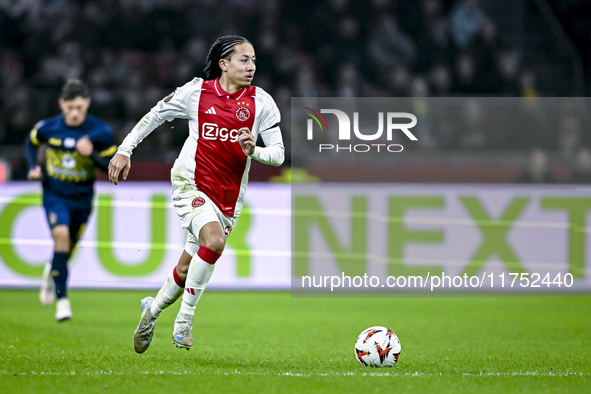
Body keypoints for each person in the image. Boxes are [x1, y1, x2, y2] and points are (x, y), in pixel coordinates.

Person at [108, 35, 284, 353]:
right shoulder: (196, 93)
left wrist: (253, 150)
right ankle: (184, 321)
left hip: (229, 197)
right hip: (190, 184)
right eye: (244, 60)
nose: (251, 66)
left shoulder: (262, 103)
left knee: (186, 269)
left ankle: (150, 314)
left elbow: (278, 154)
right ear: (224, 64)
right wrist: (125, 150)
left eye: (254, 60)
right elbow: (155, 115)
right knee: (214, 241)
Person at [25, 79, 116, 321]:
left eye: (79, 107)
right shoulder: (48, 128)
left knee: (66, 249)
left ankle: (51, 271)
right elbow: (31, 142)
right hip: (55, 194)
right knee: (61, 237)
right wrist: (34, 166)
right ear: (61, 104)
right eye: (69, 107)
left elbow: (112, 167)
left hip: (83, 198)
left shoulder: (101, 132)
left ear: (87, 104)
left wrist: (92, 154)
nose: (74, 113)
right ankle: (62, 302)